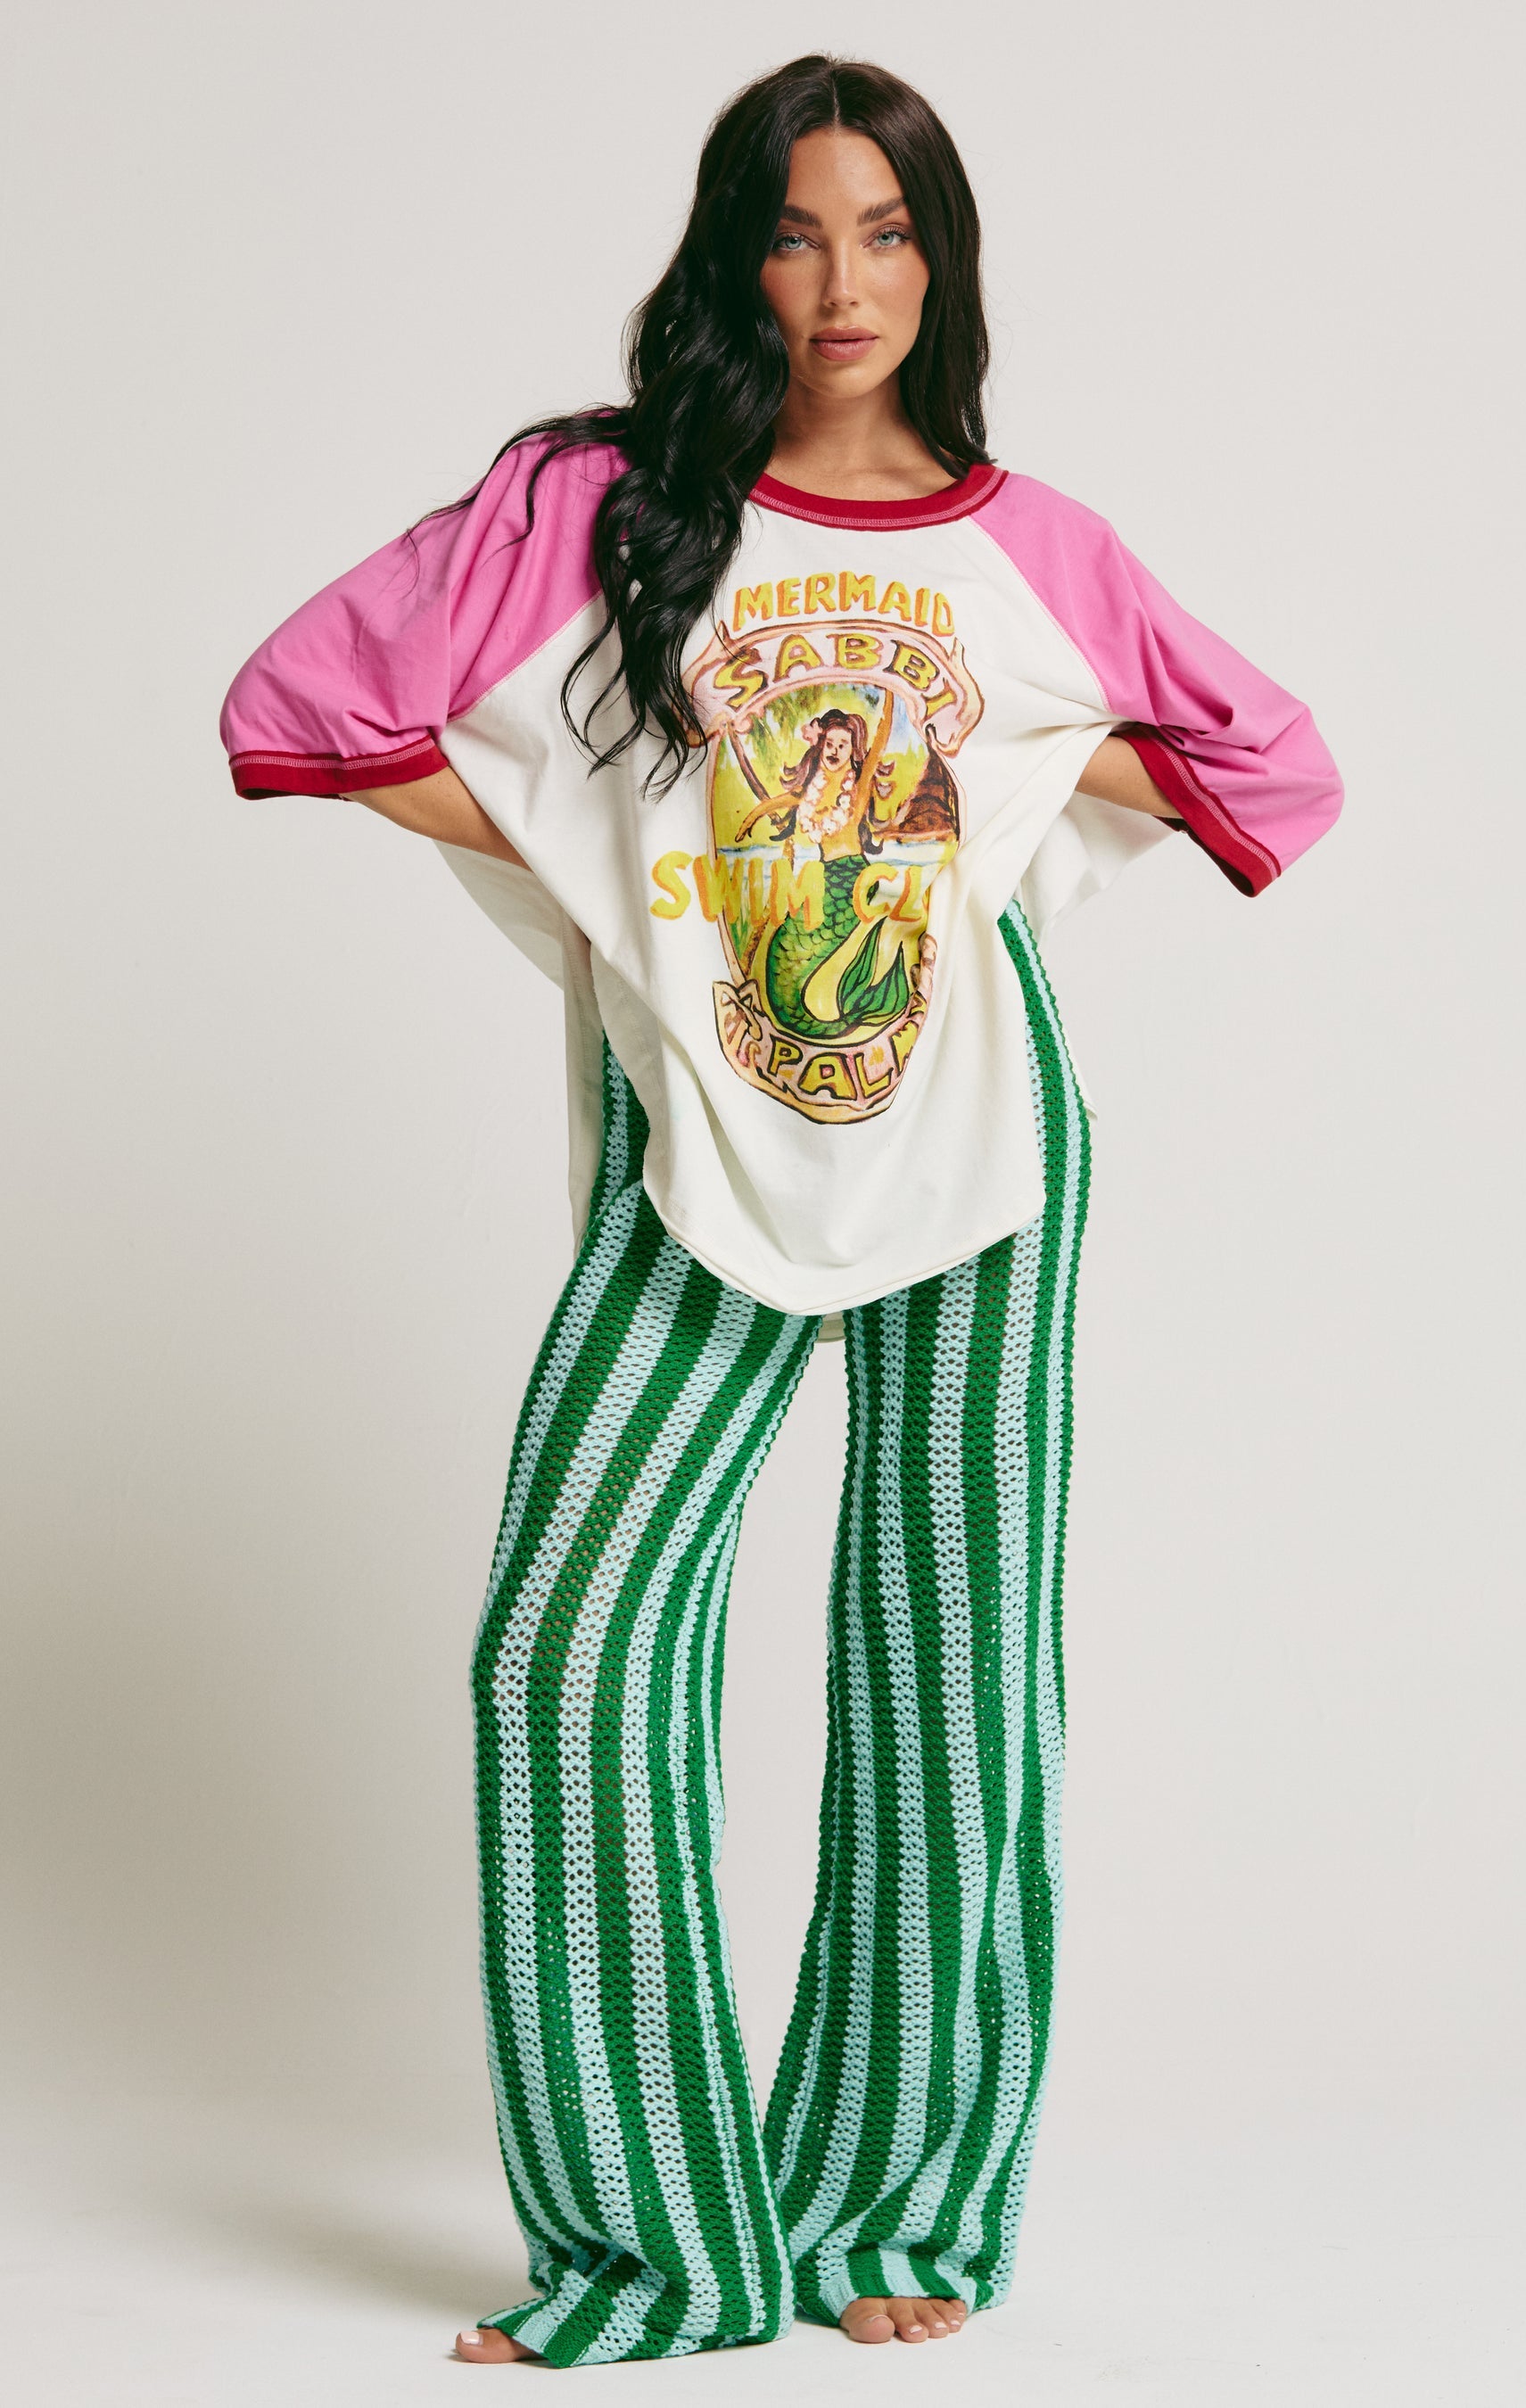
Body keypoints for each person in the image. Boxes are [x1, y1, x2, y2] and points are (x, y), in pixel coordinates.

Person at [220, 54, 1341, 2370]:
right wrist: (608, 857)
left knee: (953, 1677)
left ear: (946, 263)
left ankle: (895, 2202)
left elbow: (1272, 765)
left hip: (982, 1146)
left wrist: (1031, 766)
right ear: (738, 257)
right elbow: (309, 702)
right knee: (566, 1650)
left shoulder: (1037, 550)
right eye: (800, 231)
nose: (846, 282)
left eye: (891, 232)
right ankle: (663, 2244)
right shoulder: (598, 508)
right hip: (702, 1134)